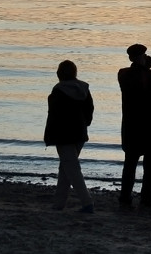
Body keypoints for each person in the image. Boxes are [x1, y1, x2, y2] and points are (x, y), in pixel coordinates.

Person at [117, 43, 151, 210]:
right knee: (149, 168)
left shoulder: (123, 74)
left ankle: (125, 199)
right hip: (150, 129)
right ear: (140, 58)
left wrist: (150, 61)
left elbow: (138, 70)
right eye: (144, 55)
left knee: (130, 166)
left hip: (132, 129)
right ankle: (146, 202)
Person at [43, 59, 95, 213]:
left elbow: (54, 115)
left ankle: (87, 202)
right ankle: (59, 203)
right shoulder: (84, 88)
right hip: (79, 132)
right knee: (66, 168)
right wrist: (85, 124)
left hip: (63, 134)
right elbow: (89, 110)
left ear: (59, 74)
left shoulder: (58, 90)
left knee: (71, 168)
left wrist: (50, 135)